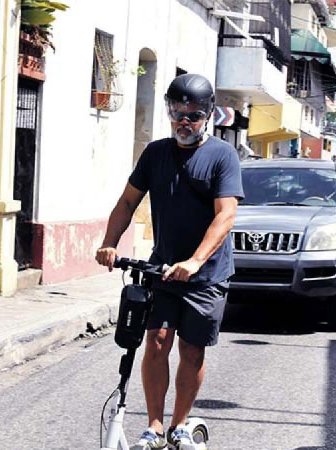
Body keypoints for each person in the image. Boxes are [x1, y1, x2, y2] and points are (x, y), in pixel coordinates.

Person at [95, 74, 244, 450]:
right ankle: (155, 427)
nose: (184, 121)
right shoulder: (155, 153)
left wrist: (195, 261)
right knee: (156, 342)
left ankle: (180, 424)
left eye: (192, 115)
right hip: (162, 269)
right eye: (177, 113)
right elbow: (128, 201)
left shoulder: (222, 156)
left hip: (206, 275)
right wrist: (109, 243)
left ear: (207, 115)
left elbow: (225, 215)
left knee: (192, 350)